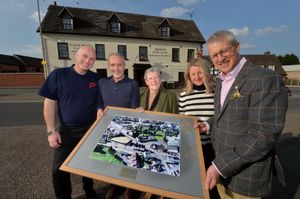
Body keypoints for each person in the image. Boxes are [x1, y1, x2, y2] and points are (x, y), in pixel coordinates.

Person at [202, 30, 288, 198]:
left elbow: (264, 134)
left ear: (237, 47)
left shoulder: (264, 78)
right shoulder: (221, 80)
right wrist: (207, 124)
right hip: (220, 171)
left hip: (245, 177)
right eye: (214, 56)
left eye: (224, 51)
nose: (220, 59)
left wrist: (220, 166)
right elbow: (223, 114)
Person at [38, 45, 100, 199]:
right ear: (76, 55)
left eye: (92, 58)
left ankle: (89, 191)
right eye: (84, 56)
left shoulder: (96, 79)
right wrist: (51, 131)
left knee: (87, 164)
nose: (88, 61)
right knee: (58, 170)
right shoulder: (58, 75)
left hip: (89, 129)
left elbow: (104, 100)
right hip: (67, 130)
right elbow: (49, 103)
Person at [96, 52, 140, 199]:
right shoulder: (102, 82)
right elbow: (99, 102)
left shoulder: (132, 84)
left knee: (126, 159)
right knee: (111, 158)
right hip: (107, 127)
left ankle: (128, 187)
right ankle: (114, 186)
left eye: (119, 64)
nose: (116, 68)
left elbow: (135, 107)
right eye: (113, 65)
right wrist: (99, 109)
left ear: (124, 66)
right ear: (109, 66)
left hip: (125, 129)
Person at [178, 58, 219, 199]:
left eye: (199, 73)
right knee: (193, 184)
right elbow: (181, 121)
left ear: (206, 72)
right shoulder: (184, 96)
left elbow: (220, 119)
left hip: (213, 148)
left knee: (211, 186)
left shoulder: (216, 93)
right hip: (192, 149)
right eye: (192, 74)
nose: (196, 77)